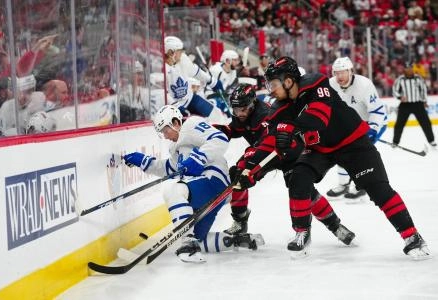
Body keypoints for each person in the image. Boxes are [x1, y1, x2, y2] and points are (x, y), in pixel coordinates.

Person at [234, 56, 430, 260]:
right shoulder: (278, 109)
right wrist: (250, 169)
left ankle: (412, 236)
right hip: (320, 149)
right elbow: (269, 143)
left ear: (289, 81)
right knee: (298, 177)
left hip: (353, 143)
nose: (270, 90)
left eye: (273, 84)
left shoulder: (316, 83)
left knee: (378, 189)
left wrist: (291, 127)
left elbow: (319, 118)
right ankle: (302, 232)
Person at [215, 84, 356, 246]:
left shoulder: (264, 116)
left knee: (304, 191)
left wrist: (250, 167)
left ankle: (335, 226)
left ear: (252, 104)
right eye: (235, 109)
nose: (239, 114)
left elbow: (265, 145)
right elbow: (235, 129)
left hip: (287, 153)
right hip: (264, 152)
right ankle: (240, 222)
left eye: (242, 109)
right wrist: (213, 130)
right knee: (238, 177)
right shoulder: (244, 114)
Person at [123, 105, 264, 263]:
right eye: (161, 132)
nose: (165, 136)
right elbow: (169, 169)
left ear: (176, 122)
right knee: (199, 239)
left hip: (214, 180)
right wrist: (143, 162)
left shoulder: (191, 125)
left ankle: (187, 242)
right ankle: (237, 240)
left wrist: (199, 158)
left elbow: (220, 138)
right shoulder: (176, 148)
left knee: (174, 190)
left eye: (165, 130)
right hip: (210, 195)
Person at [327, 57, 388, 202]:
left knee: (361, 154)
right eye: (337, 73)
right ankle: (343, 185)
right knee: (341, 150)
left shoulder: (364, 84)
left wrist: (372, 129)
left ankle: (362, 186)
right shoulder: (330, 84)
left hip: (372, 123)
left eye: (343, 72)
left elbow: (378, 110)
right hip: (351, 125)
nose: (339, 76)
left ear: (350, 71)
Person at [164, 36, 225, 122]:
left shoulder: (183, 59)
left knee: (215, 114)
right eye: (179, 51)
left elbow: (196, 72)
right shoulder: (163, 69)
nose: (182, 53)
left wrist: (211, 81)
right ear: (170, 52)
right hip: (173, 107)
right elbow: (163, 94)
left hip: (190, 99)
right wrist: (176, 106)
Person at [392, 62, 436, 148]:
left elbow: (423, 90)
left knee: (426, 123)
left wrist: (424, 101)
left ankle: (431, 141)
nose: (409, 70)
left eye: (410, 68)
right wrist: (400, 97)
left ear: (412, 69)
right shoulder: (400, 79)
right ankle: (395, 142)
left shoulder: (418, 78)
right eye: (407, 68)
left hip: (418, 104)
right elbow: (394, 90)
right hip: (405, 105)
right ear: (404, 69)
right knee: (399, 124)